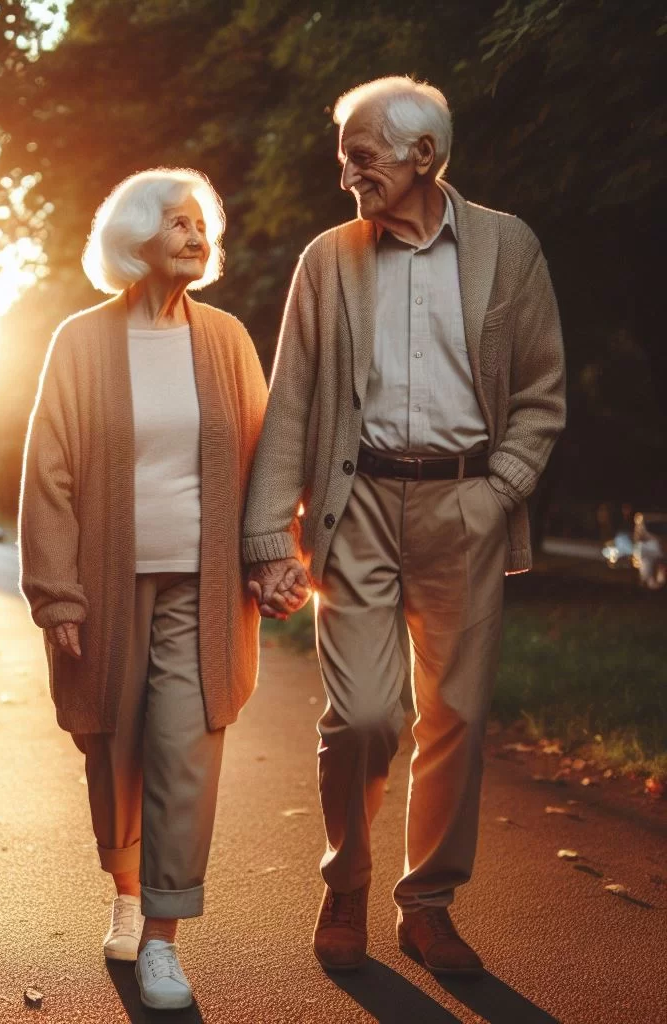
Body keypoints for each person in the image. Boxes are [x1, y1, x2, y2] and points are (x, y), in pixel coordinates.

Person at [243, 76, 566, 976]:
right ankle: (346, 879)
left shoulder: (509, 248)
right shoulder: (327, 259)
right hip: (357, 506)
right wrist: (270, 539)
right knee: (365, 716)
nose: (346, 175)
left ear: (423, 156)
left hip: (466, 502)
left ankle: (427, 905)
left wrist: (497, 489)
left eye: (361, 156)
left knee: (456, 712)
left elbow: (542, 393)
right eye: (344, 158)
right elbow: (293, 406)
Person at [18, 168, 267, 1009]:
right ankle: (125, 892)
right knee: (114, 747)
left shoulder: (227, 339)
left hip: (205, 587)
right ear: (135, 237)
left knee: (185, 748)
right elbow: (48, 471)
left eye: (203, 225)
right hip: (105, 583)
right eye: (179, 224)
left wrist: (275, 553)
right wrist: (57, 594)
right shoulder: (81, 343)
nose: (199, 237)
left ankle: (163, 934)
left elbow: (266, 458)